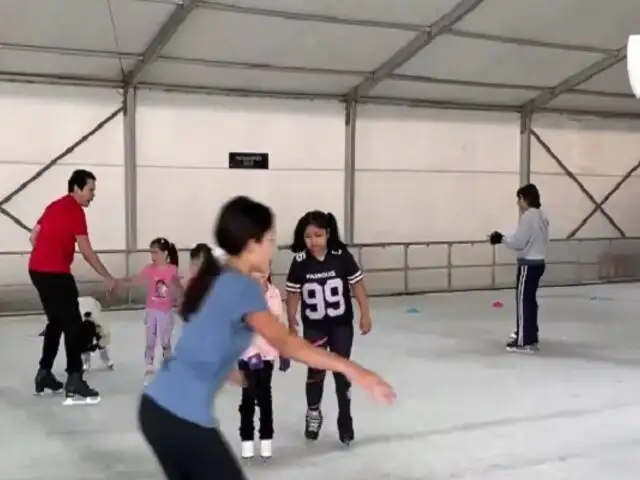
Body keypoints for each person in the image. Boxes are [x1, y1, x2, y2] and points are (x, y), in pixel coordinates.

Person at [138, 196, 394, 480]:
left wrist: (227, 369)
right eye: (270, 239)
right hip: (181, 417)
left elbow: (204, 331)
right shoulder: (243, 286)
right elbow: (285, 342)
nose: (273, 247)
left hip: (157, 409)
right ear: (251, 244)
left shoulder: (221, 278)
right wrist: (355, 370)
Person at [285, 210, 372, 446]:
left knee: (342, 371)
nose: (313, 241)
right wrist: (291, 319)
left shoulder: (341, 256)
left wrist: (365, 313)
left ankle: (345, 416)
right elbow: (293, 293)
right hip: (314, 327)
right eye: (308, 236)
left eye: (318, 235)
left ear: (328, 234)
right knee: (315, 372)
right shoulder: (300, 262)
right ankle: (313, 412)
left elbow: (358, 286)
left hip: (341, 324)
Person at [30, 169, 116, 405]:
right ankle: (74, 379)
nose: (92, 195)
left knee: (56, 322)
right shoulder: (75, 212)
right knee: (73, 325)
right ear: (77, 189)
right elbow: (87, 252)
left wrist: (47, 250)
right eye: (90, 190)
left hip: (37, 270)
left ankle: (44, 373)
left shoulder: (53, 206)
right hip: (55, 273)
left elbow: (33, 236)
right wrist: (107, 276)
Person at [489, 183, 549, 353]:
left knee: (524, 301)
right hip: (539, 262)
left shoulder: (529, 216)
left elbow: (519, 242)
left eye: (519, 199)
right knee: (530, 301)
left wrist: (501, 238)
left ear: (524, 198)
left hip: (528, 264)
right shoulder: (542, 216)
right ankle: (530, 333)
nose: (518, 204)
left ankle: (524, 341)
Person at [238, 270, 290, 461]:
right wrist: (251, 353)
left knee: (265, 397)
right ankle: (247, 439)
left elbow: (279, 324)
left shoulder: (274, 294)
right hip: (247, 354)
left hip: (268, 354)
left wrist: (284, 350)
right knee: (248, 397)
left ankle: (266, 438)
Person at [121, 237, 182, 384]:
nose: (153, 256)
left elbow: (178, 286)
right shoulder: (149, 269)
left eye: (155, 252)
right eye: (151, 252)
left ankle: (168, 366)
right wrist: (121, 282)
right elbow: (137, 279)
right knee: (150, 340)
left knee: (165, 341)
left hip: (165, 312)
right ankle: (149, 367)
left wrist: (182, 300)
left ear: (165, 253)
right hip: (151, 310)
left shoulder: (172, 270)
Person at [78, 296, 114, 371]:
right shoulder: (86, 321)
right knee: (86, 350)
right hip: (88, 337)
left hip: (93, 336)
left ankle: (107, 362)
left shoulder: (95, 321)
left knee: (100, 347)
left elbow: (99, 329)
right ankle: (87, 364)